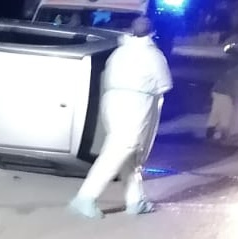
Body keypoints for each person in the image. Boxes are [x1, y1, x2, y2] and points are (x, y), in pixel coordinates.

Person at [69, 15, 173, 218]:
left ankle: (136, 201)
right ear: (152, 32)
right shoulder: (153, 55)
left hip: (112, 103)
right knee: (121, 149)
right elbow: (165, 84)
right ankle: (85, 197)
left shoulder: (118, 52)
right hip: (135, 105)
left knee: (128, 154)